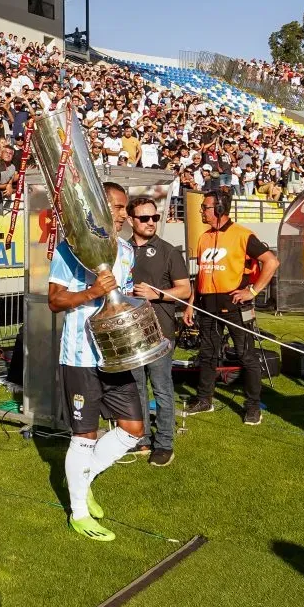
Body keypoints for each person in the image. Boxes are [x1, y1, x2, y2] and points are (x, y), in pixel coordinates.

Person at [47, 182, 143, 542]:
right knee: (84, 436)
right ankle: (79, 512)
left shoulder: (126, 251)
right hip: (80, 357)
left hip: (115, 354)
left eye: (124, 208)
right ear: (97, 210)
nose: (122, 214)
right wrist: (91, 292)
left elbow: (124, 295)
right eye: (116, 207)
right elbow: (55, 301)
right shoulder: (70, 250)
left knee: (133, 428)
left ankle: (83, 478)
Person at [183, 191, 279, 425]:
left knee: (247, 356)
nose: (202, 211)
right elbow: (201, 275)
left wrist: (252, 291)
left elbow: (271, 261)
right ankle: (205, 400)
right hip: (207, 307)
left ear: (219, 209)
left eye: (205, 207)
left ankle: (252, 406)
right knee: (207, 355)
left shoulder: (243, 235)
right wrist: (190, 304)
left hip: (235, 306)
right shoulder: (203, 238)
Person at [125, 197, 191, 466]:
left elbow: (185, 290)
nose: (151, 222)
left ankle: (164, 443)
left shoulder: (167, 251)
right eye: (144, 218)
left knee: (162, 389)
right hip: (129, 331)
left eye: (154, 218)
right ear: (131, 220)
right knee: (136, 388)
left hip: (160, 331)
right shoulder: (121, 249)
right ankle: (141, 439)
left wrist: (157, 294)